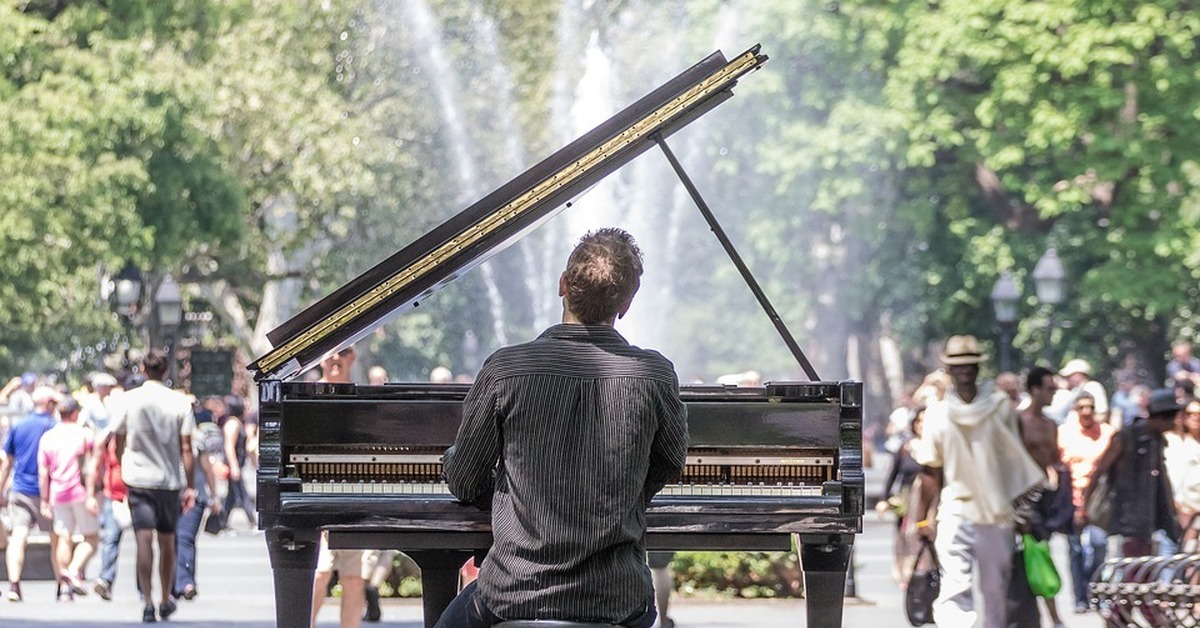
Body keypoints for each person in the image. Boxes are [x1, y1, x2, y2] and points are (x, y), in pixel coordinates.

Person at [435, 228, 688, 628]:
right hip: (618, 600)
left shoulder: (506, 369)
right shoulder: (654, 374)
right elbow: (671, 463)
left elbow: (464, 479)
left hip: (514, 594)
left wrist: (506, 498)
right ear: (625, 305)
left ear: (563, 286)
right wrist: (624, 494)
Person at [910, 335, 1044, 628]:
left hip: (997, 513)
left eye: (970, 365)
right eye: (959, 365)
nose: (965, 370)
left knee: (995, 591)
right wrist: (922, 519)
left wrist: (1020, 510)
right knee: (954, 588)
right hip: (956, 511)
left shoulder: (1000, 408)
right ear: (949, 370)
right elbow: (931, 471)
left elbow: (1016, 460)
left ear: (978, 367)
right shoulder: (938, 414)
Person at [110, 349, 197, 623]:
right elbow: (187, 448)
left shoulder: (129, 399)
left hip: (138, 479)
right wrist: (190, 484)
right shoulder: (180, 402)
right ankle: (164, 598)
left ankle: (147, 600)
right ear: (167, 372)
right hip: (168, 481)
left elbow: (118, 439)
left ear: (143, 371)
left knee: (143, 540)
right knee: (167, 540)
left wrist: (123, 461)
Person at [1085, 388, 1182, 558]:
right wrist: (1085, 507)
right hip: (1123, 518)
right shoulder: (1126, 437)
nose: (1174, 423)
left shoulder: (1156, 441)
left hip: (1145, 521)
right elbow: (1100, 470)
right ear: (1160, 417)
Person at [311, 345, 367, 628]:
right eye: (331, 353)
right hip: (317, 496)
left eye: (343, 353)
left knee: (354, 579)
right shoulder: (306, 397)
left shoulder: (359, 395)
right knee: (319, 574)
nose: (336, 359)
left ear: (352, 357)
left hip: (355, 497)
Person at [1015, 366, 1071, 628]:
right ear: (1035, 390)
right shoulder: (1019, 421)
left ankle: (1051, 617)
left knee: (1040, 553)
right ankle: (1047, 617)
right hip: (1021, 498)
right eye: (1049, 388)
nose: (1053, 393)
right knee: (1032, 555)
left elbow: (1054, 461)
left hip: (1045, 497)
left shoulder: (1050, 424)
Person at [0, 386, 62, 602]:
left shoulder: (19, 426)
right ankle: (62, 585)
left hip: (20, 489)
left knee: (18, 536)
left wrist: (1, 488)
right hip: (49, 493)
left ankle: (14, 585)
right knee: (57, 538)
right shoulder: (53, 427)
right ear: (48, 404)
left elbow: (8, 462)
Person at [37, 396, 100, 602]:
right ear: (75, 414)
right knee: (91, 538)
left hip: (58, 492)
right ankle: (72, 571)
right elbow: (91, 467)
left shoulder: (48, 437)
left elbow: (43, 473)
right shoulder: (85, 434)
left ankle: (65, 588)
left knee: (64, 537)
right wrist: (91, 494)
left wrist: (44, 500)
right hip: (80, 492)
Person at [1058, 390, 1116, 614]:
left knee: (1099, 545)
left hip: (1099, 500)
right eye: (1081, 407)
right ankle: (1080, 597)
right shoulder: (1064, 434)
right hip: (1071, 498)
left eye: (1090, 407)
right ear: (1075, 410)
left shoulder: (1108, 434)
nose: (1086, 412)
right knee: (1075, 549)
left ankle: (1097, 592)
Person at [173, 402, 223, 602]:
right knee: (173, 539)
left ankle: (185, 583)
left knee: (184, 537)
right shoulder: (166, 435)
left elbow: (207, 468)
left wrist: (214, 497)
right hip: (170, 493)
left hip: (196, 496)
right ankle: (175, 583)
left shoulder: (198, 438)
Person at [876, 406, 925, 586]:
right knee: (905, 536)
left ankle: (924, 571)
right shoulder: (905, 448)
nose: (922, 425)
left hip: (930, 500)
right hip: (907, 499)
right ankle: (906, 572)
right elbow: (892, 475)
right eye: (918, 421)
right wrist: (883, 499)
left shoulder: (935, 447)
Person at [1165, 398, 1200, 552]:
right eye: (1191, 413)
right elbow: (1172, 476)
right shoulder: (1174, 442)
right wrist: (1177, 506)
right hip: (1182, 509)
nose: (1196, 417)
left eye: (1199, 413)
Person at [1048, 359, 1109, 426]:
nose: (1066, 379)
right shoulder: (1074, 391)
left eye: (1069, 376)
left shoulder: (1092, 387)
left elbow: (1102, 414)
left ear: (1078, 375)